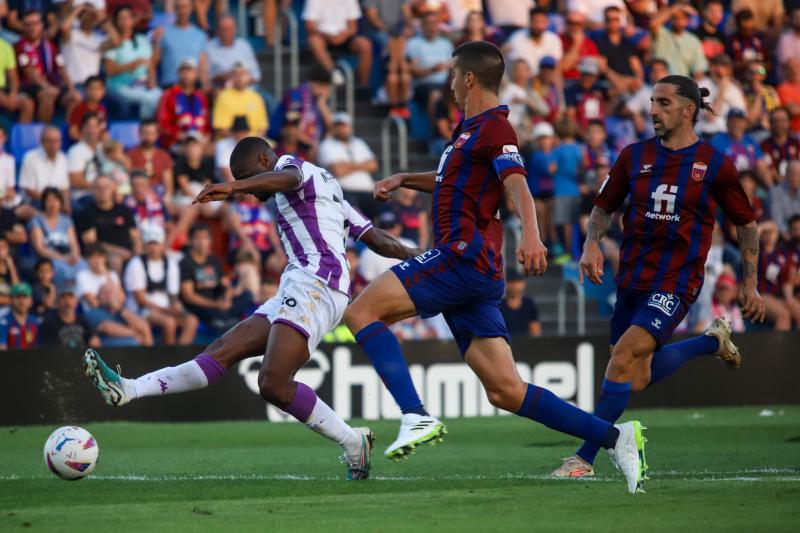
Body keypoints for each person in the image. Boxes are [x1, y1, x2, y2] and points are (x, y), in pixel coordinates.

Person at [342, 41, 647, 494]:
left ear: (468, 79)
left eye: (451, 75)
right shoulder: (467, 132)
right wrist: (405, 177)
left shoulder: (495, 127)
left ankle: (415, 413)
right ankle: (615, 437)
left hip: (463, 257)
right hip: (472, 270)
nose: (448, 83)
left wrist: (531, 233)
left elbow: (517, 183)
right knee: (505, 390)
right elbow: (450, 181)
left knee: (360, 312)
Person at [83, 135, 422, 481]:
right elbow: (377, 237)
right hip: (300, 285)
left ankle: (352, 442)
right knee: (219, 353)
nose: (249, 188)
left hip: (317, 285)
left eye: (247, 177)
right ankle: (129, 389)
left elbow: (288, 178)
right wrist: (418, 257)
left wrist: (232, 188)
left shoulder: (296, 169)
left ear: (264, 160)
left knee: (273, 383)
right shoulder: (327, 186)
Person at [551, 75, 766, 479]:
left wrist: (750, 282)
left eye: (664, 103)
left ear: (689, 110)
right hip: (632, 276)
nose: (653, 110)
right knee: (637, 376)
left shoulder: (714, 164)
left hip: (676, 280)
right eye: (652, 102)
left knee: (621, 358)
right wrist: (591, 245)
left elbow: (747, 224)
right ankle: (710, 342)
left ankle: (585, 458)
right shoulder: (634, 156)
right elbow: (604, 207)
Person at [124, 223, 198, 345]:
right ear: (144, 245)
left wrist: (176, 306)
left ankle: (181, 358)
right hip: (141, 310)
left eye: (156, 244)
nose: (153, 248)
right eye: (150, 244)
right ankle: (168, 360)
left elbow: (173, 295)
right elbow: (141, 300)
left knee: (192, 320)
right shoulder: (136, 263)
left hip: (165, 307)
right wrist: (166, 310)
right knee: (169, 322)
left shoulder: (171, 263)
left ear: (162, 245)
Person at [77, 242, 152, 346]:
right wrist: (109, 301)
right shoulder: (83, 276)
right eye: (93, 257)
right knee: (134, 340)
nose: (97, 261)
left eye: (99, 257)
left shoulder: (111, 274)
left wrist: (105, 274)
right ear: (87, 259)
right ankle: (134, 335)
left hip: (116, 311)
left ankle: (149, 359)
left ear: (104, 258)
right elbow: (93, 303)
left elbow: (121, 298)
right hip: (95, 314)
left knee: (144, 326)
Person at [15, 10, 81, 122]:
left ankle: (67, 133)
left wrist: (71, 88)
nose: (32, 28)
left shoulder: (50, 45)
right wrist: (46, 86)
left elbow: (61, 68)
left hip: (51, 85)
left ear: (41, 25)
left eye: (35, 24)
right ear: (23, 27)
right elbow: (28, 71)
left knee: (75, 97)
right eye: (28, 24)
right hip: (28, 87)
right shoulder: (20, 46)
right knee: (48, 94)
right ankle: (44, 132)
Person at [317, 111, 380, 219]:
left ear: (350, 127)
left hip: (367, 191)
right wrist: (362, 165)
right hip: (344, 192)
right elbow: (338, 171)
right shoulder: (326, 144)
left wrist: (348, 165)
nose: (341, 129)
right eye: (338, 126)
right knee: (357, 218)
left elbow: (374, 165)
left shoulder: (358, 142)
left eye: (344, 126)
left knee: (385, 212)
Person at [103, 5, 162, 120]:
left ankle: (149, 127)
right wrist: (131, 65)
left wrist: (152, 80)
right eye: (121, 18)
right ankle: (145, 124)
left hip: (142, 84)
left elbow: (150, 64)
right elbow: (109, 70)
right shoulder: (112, 43)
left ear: (133, 20)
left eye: (127, 17)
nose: (124, 21)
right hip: (120, 87)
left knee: (160, 95)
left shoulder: (142, 40)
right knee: (149, 99)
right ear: (116, 22)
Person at [75, 174, 141, 272]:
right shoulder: (87, 213)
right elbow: (91, 243)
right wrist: (119, 251)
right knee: (115, 260)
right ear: (92, 190)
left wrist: (136, 253)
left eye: (106, 187)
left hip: (128, 252)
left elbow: (135, 236)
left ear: (113, 188)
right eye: (98, 188)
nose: (103, 190)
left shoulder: (124, 210)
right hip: (104, 254)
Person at [302, 0, 372, 87]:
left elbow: (353, 27)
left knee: (365, 44)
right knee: (313, 40)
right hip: (322, 36)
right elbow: (310, 26)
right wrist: (328, 36)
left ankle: (363, 85)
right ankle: (334, 73)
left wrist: (342, 36)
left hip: (344, 37)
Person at [59, 0, 120, 87]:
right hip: (73, 85)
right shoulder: (72, 34)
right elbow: (64, 28)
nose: (89, 18)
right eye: (85, 14)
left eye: (92, 16)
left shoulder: (98, 38)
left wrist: (102, 18)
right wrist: (79, 9)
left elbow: (116, 41)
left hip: (92, 87)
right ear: (79, 17)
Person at [28, 188, 82, 283]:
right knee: (62, 270)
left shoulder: (66, 220)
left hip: (67, 255)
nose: (53, 204)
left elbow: (73, 244)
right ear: (44, 203)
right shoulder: (37, 220)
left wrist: (74, 255)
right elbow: (40, 248)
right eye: (49, 201)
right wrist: (62, 258)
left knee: (83, 266)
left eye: (56, 200)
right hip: (49, 257)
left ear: (61, 202)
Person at [406, 12, 453, 119]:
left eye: (435, 23)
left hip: (446, 84)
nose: (432, 27)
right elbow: (412, 71)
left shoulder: (446, 44)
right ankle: (435, 133)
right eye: (429, 24)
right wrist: (432, 70)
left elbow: (454, 66)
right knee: (435, 95)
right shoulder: (413, 44)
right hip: (423, 86)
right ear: (422, 26)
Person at [156, 58, 211, 149]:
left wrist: (205, 137)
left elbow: (206, 125)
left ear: (196, 74)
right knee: (192, 151)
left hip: (199, 141)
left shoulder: (201, 97)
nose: (186, 75)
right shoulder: (168, 95)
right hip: (176, 142)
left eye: (190, 72)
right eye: (183, 72)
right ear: (178, 73)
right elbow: (162, 125)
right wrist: (177, 134)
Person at [153, 0, 207, 88]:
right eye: (179, 7)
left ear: (191, 8)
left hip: (194, 88)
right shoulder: (163, 33)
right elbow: (154, 62)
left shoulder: (200, 35)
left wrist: (205, 86)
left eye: (185, 7)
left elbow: (203, 66)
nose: (183, 11)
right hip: (170, 87)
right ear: (174, 9)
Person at [650, 4, 708, 80]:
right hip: (661, 83)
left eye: (683, 18)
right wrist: (678, 7)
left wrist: (693, 87)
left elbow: (699, 69)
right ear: (671, 19)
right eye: (676, 18)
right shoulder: (662, 33)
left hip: (683, 85)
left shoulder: (693, 40)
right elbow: (653, 24)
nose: (679, 21)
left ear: (688, 20)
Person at [757, 221, 797, 330]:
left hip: (777, 296)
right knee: (783, 315)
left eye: (773, 233)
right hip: (760, 295)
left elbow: (786, 280)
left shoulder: (782, 254)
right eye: (767, 233)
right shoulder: (756, 251)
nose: (770, 236)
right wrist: (762, 227)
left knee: (797, 310)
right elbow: (751, 236)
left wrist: (789, 298)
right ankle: (778, 346)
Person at [39, 280, 100, 350]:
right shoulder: (49, 323)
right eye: (63, 297)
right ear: (57, 301)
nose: (67, 301)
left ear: (77, 301)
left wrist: (94, 341)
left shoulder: (83, 321)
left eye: (70, 297)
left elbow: (94, 340)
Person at [212, 62, 268, 137]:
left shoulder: (256, 97)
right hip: (230, 141)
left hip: (253, 141)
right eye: (236, 74)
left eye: (243, 74)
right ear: (231, 77)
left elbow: (262, 128)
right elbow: (220, 128)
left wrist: (252, 141)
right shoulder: (223, 97)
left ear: (249, 76)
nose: (240, 77)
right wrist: (240, 139)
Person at [19, 125, 70, 208]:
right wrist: (51, 201)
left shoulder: (63, 158)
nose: (54, 145)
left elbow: (65, 188)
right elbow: (28, 190)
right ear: (42, 142)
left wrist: (65, 203)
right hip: (36, 200)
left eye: (57, 141)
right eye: (50, 141)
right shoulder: (30, 157)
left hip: (57, 202)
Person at [503, 7, 563, 77]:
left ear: (547, 23)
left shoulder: (554, 39)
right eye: (536, 22)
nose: (539, 26)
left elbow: (557, 68)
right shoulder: (517, 38)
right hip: (524, 81)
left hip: (545, 82)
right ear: (530, 22)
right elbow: (516, 69)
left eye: (542, 22)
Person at [205, 15, 261, 88]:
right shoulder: (208, 47)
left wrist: (240, 78)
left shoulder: (244, 46)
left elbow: (256, 75)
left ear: (235, 30)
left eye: (230, 29)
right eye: (224, 29)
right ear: (217, 30)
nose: (227, 33)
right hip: (221, 92)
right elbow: (205, 76)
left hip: (246, 92)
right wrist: (223, 77)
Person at [126, 120, 174, 199]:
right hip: (137, 195)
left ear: (157, 135)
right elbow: (128, 180)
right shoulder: (130, 155)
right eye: (146, 133)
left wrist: (167, 197)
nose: (148, 137)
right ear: (139, 134)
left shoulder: (164, 156)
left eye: (152, 133)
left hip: (159, 195)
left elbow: (168, 185)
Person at [67, 112, 104, 201]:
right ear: (82, 129)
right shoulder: (75, 151)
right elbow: (75, 181)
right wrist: (100, 188)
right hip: (84, 195)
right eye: (88, 127)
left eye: (95, 126)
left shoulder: (103, 148)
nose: (92, 131)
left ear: (99, 129)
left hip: (104, 193)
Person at [761, 108, 800, 185]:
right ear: (771, 123)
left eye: (782, 120)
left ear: (789, 122)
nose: (779, 124)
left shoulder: (796, 143)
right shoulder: (764, 145)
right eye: (775, 121)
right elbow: (768, 169)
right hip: (775, 186)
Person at [0, 36, 34, 122]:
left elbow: (13, 77)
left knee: (27, 104)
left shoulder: (5, 46)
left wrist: (13, 95)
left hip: (3, 89)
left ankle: (22, 135)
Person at [500, 270, 541, 336]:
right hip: (506, 343)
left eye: (518, 282)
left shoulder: (529, 304)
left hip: (526, 343)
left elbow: (535, 329)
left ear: (523, 284)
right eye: (512, 282)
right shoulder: (500, 305)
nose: (515, 286)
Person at [67, 75, 107, 142]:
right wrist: (89, 143)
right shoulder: (78, 109)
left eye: (98, 88)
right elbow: (73, 133)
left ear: (103, 91)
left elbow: (103, 131)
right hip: (82, 144)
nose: (94, 92)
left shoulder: (102, 109)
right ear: (85, 90)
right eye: (91, 88)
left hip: (97, 144)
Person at [0, 282, 38, 349]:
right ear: (11, 300)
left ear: (31, 301)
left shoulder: (35, 322)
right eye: (18, 297)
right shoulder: (3, 322)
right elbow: (2, 350)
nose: (21, 300)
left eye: (25, 297)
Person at [769, 161, 800, 237]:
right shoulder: (775, 192)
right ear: (786, 175)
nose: (795, 177)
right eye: (792, 173)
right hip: (782, 236)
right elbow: (777, 221)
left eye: (798, 174)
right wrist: (791, 234)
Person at [777, 58, 800, 134]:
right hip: (795, 132)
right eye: (790, 68)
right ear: (786, 71)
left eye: (797, 67)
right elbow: (793, 110)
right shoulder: (783, 88)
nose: (794, 70)